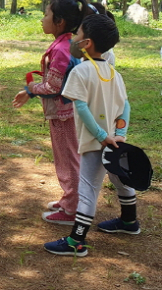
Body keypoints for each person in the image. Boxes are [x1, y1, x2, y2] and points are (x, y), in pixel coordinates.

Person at [44, 13, 137, 257]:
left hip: (97, 142)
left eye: (78, 35)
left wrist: (99, 135)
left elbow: (81, 106)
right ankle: (129, 222)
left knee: (87, 189)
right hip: (115, 141)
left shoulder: (81, 72)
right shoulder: (115, 74)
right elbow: (125, 106)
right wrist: (120, 134)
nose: (74, 38)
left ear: (86, 44)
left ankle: (77, 241)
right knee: (120, 180)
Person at [13, 0, 95, 224]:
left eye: (46, 14)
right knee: (67, 157)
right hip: (67, 111)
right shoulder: (66, 42)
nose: (42, 19)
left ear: (59, 22)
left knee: (68, 159)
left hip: (64, 113)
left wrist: (30, 88)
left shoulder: (61, 49)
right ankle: (70, 200)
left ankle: (72, 209)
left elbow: (53, 85)